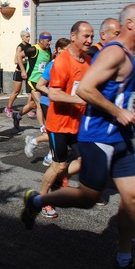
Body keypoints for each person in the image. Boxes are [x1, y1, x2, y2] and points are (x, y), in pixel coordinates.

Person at [20, 4, 135, 269]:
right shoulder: (115, 53)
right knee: (87, 197)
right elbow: (86, 89)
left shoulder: (126, 53)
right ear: (130, 23)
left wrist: (127, 114)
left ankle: (123, 261)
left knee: (133, 197)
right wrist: (119, 111)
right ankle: (36, 201)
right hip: (97, 136)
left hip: (121, 137)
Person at [37, 22, 93, 218]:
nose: (89, 40)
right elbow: (53, 93)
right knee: (58, 165)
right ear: (73, 36)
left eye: (91, 37)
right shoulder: (61, 61)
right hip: (59, 124)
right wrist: (80, 99)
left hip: (78, 123)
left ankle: (61, 180)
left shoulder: (87, 61)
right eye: (86, 36)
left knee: (86, 160)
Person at [25, 37, 70, 167]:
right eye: (66, 51)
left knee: (61, 133)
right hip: (49, 103)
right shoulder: (53, 65)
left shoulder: (68, 64)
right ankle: (45, 150)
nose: (68, 54)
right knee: (57, 133)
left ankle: (42, 147)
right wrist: (53, 94)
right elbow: (40, 85)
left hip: (63, 104)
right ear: (59, 50)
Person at [11, 32, 53, 131]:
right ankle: (43, 127)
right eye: (48, 40)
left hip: (42, 82)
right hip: (32, 80)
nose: (50, 43)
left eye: (50, 40)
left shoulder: (48, 50)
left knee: (33, 104)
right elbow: (19, 56)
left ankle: (17, 115)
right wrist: (23, 71)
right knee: (40, 104)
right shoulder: (33, 49)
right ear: (41, 40)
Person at [5, 30, 32, 117]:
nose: (28, 38)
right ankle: (8, 107)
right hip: (19, 72)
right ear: (22, 37)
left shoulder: (30, 46)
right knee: (16, 92)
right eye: (27, 37)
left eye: (29, 36)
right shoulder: (20, 47)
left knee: (31, 92)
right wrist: (24, 59)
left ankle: (28, 109)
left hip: (27, 72)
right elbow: (16, 60)